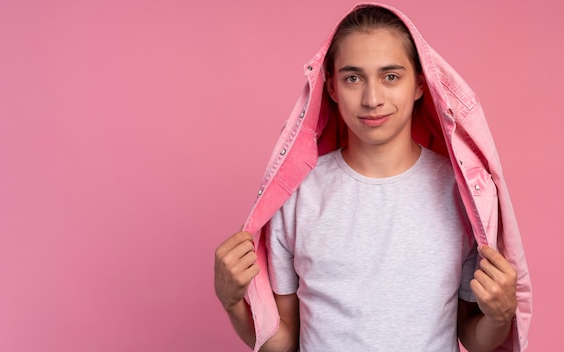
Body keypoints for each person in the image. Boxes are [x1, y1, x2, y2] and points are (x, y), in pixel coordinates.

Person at [214, 3, 531, 352]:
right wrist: (232, 303)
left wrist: (500, 316)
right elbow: (284, 342)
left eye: (390, 76)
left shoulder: (463, 192)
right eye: (353, 78)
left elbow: (473, 335)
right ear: (332, 88)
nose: (372, 98)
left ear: (420, 85)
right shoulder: (296, 194)